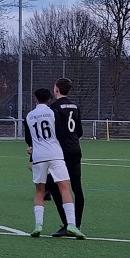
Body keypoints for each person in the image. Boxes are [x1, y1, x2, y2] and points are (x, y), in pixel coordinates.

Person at [24, 87, 85, 239]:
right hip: (55, 154)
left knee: (40, 191)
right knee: (65, 188)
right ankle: (71, 224)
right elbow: (60, 133)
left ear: (35, 99)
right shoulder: (53, 112)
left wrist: (32, 148)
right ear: (49, 99)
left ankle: (38, 225)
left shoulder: (29, 116)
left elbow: (28, 139)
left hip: (39, 156)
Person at [46, 77, 85, 237]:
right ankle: (77, 225)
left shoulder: (54, 107)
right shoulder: (75, 106)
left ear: (56, 89)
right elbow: (80, 131)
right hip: (75, 149)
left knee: (51, 185)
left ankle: (68, 224)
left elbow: (53, 131)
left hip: (61, 152)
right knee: (77, 188)